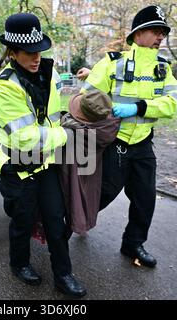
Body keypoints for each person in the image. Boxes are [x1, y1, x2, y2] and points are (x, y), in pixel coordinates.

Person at [0, 13, 86, 297]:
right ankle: (19, 264)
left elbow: (56, 112)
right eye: (29, 52)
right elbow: (24, 137)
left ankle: (63, 275)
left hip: (45, 164)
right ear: (12, 52)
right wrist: (66, 135)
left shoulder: (51, 73)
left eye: (40, 50)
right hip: (17, 166)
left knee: (56, 220)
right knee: (22, 220)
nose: (36, 57)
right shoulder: (3, 85)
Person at [82, 5, 177, 268]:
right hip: (115, 143)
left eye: (163, 32)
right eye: (155, 31)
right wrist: (107, 111)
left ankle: (133, 244)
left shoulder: (163, 68)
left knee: (145, 198)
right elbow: (87, 97)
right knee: (102, 196)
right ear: (138, 34)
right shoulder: (113, 63)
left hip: (143, 144)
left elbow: (171, 103)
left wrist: (138, 107)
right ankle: (70, 225)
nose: (160, 37)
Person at [59, 90, 120, 235]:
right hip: (92, 172)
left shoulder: (72, 128)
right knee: (84, 200)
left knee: (68, 201)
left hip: (68, 172)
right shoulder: (108, 127)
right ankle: (79, 224)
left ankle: (63, 238)